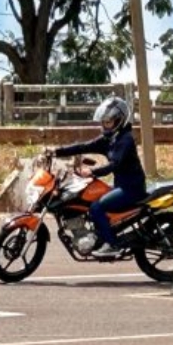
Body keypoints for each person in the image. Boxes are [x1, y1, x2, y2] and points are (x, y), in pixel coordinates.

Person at [51, 96, 147, 258]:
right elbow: (83, 146)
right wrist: (56, 152)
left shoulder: (125, 140)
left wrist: (93, 172)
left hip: (131, 188)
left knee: (97, 207)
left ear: (119, 120)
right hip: (120, 185)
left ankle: (112, 245)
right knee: (90, 201)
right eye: (103, 122)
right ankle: (99, 237)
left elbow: (114, 165)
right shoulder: (109, 139)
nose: (104, 125)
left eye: (108, 122)